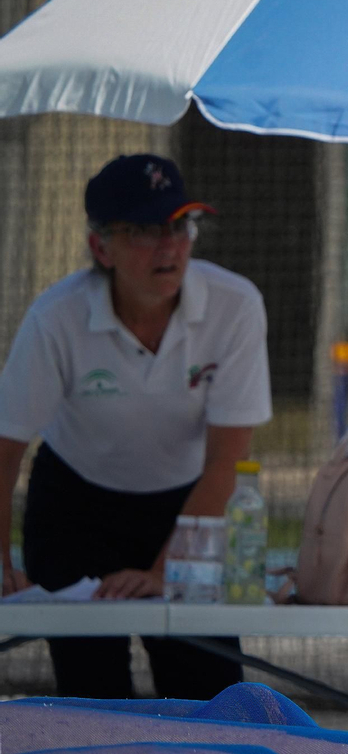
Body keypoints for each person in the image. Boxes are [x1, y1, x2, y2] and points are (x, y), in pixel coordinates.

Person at [0, 153, 270, 700]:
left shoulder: (236, 305)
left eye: (180, 225)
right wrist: (1, 561)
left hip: (186, 504)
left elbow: (227, 461)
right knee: (94, 698)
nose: (169, 246)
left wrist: (167, 571)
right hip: (73, 508)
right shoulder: (56, 318)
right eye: (145, 230)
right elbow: (5, 448)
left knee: (210, 700)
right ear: (101, 247)